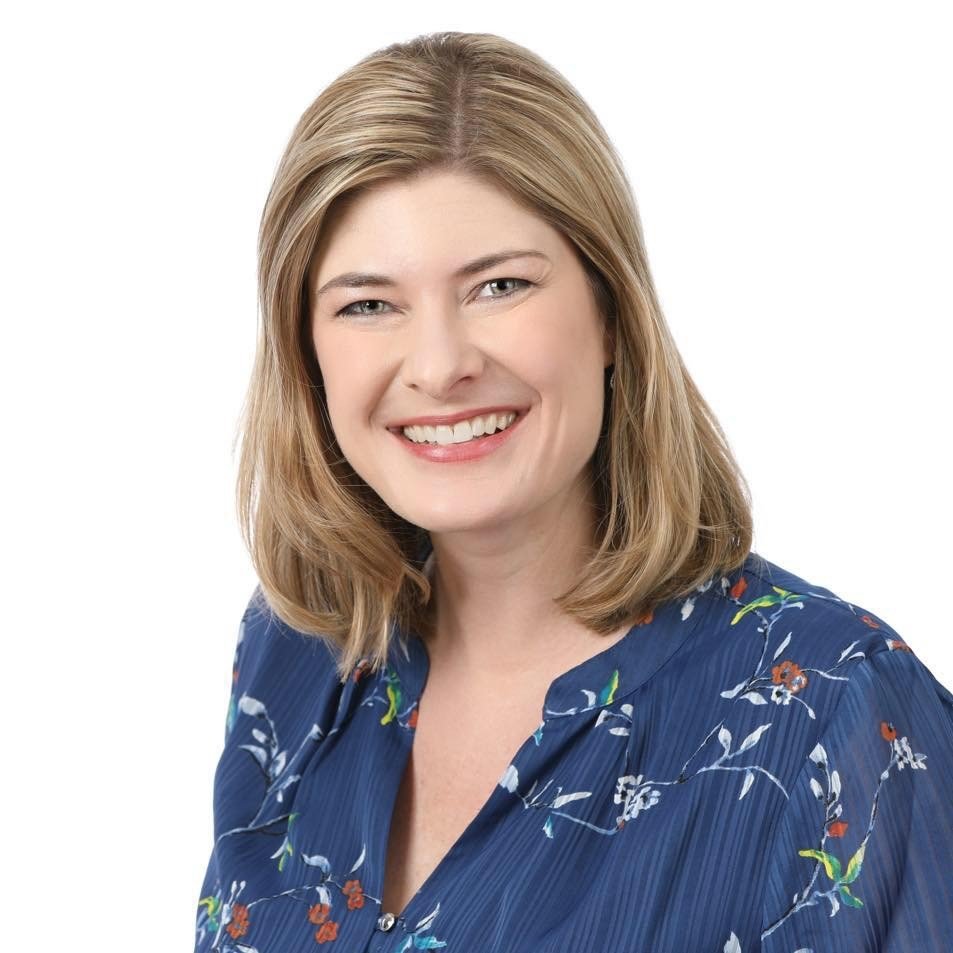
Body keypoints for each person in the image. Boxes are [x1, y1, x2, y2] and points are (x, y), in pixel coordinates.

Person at [194, 31, 953, 953]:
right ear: (306, 352)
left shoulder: (835, 707)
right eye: (367, 303)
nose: (438, 366)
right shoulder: (298, 648)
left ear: (609, 314)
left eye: (498, 285)